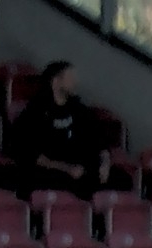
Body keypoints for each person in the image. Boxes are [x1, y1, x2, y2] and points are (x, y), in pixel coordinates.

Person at [9, 61, 127, 199]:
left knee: (122, 179)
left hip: (81, 171)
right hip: (52, 172)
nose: (75, 82)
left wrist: (104, 164)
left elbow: (100, 142)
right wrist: (66, 168)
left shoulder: (80, 110)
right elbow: (27, 151)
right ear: (55, 81)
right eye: (70, 78)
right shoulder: (35, 111)